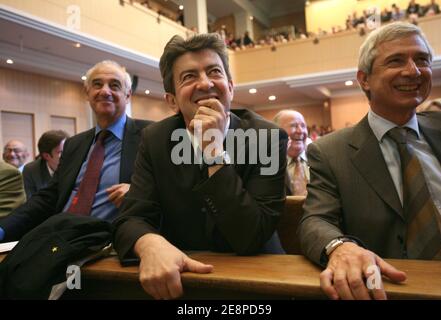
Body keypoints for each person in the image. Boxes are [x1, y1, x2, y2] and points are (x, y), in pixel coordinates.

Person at [113, 33, 288, 300]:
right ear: (172, 100)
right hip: (182, 279)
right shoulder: (156, 139)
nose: (205, 83)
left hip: (258, 281)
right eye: (189, 77)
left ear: (230, 87)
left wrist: (213, 151)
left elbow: (251, 235)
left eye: (214, 72)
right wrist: (149, 243)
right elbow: (131, 218)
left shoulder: (268, 138)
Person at [299, 22, 441, 300]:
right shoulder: (331, 151)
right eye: (395, 61)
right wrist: (340, 247)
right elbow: (316, 220)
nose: (413, 70)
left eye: (422, 59)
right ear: (364, 79)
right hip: (391, 289)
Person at [0, 60, 151, 242]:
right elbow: (49, 197)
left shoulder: (150, 136)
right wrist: (3, 229)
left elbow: (173, 189)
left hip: (110, 244)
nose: (104, 91)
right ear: (87, 93)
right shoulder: (74, 144)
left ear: (127, 95)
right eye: (97, 84)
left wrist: (138, 193)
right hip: (60, 239)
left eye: (114, 85)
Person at [22, 130, 69, 199]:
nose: (68, 154)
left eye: (68, 149)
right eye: (61, 152)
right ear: (46, 156)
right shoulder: (31, 170)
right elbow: (31, 202)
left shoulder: (77, 165)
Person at [273, 110, 310, 196]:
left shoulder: (319, 158)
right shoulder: (268, 164)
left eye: (303, 126)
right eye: (294, 125)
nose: (300, 131)